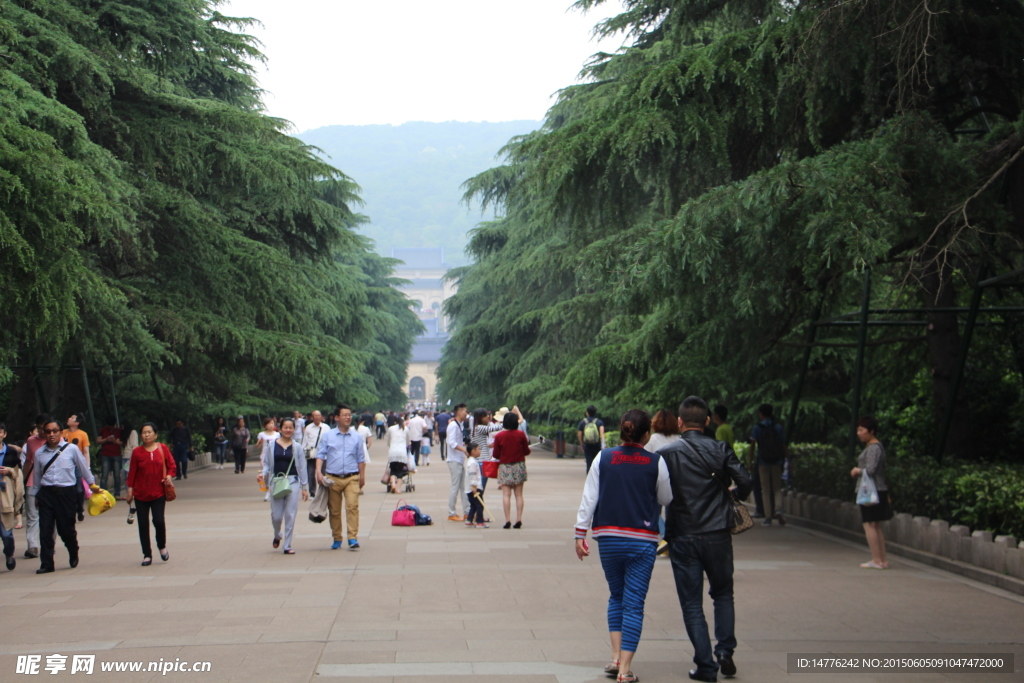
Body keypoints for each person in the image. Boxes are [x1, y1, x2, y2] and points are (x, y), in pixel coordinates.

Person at [575, 409, 672, 683]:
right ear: (646, 434)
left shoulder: (603, 458)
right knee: (634, 604)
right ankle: (625, 671)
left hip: (608, 539)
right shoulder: (655, 462)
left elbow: (589, 497)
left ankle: (615, 657)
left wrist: (579, 534)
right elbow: (666, 497)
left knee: (616, 596)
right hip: (642, 540)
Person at [658, 396, 752, 682]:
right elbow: (745, 481)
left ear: (679, 422)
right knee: (723, 594)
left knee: (691, 603)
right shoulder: (720, 448)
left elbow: (657, 492)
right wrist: (732, 496)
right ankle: (725, 651)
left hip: (683, 535)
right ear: (707, 421)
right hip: (718, 533)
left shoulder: (668, 453)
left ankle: (705, 664)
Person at [31, 418, 97, 574]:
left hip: (66, 493)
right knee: (45, 529)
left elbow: (83, 467)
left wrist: (92, 485)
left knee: (65, 529)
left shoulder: (71, 449)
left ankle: (73, 550)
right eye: (48, 431)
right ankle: (47, 563)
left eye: (55, 431)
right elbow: (37, 475)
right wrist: (36, 495)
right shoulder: (40, 453)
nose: (51, 434)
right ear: (44, 434)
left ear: (61, 432)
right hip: (47, 493)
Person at [316, 404, 366, 550]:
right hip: (333, 479)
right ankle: (337, 537)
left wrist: (362, 476)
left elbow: (361, 458)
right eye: (344, 415)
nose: (348, 417)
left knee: (352, 507)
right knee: (335, 510)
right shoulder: (328, 436)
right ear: (336, 417)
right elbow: (320, 455)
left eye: (349, 415)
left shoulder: (356, 437)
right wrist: (318, 472)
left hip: (351, 477)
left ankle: (352, 537)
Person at [126, 423, 176, 566]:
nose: (146, 435)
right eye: (144, 432)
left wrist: (169, 476)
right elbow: (132, 472)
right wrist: (130, 490)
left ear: (155, 434)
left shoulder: (163, 449)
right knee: (143, 524)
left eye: (149, 432)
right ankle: (147, 554)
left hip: (158, 492)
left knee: (158, 521)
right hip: (141, 494)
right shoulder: (137, 452)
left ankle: (162, 546)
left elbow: (172, 465)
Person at [260, 418, 309, 554]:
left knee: (290, 514)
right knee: (276, 516)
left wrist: (304, 488)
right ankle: (277, 535)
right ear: (280, 429)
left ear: (294, 429)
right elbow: (267, 464)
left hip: (293, 482)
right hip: (276, 482)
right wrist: (263, 474)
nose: (288, 430)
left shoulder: (297, 447)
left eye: (291, 428)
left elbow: (303, 467)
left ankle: (287, 545)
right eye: (285, 427)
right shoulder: (271, 446)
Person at [850, 415, 892, 569]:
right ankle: (882, 559)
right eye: (858, 430)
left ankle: (877, 560)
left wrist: (857, 471)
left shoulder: (874, 448)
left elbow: (872, 469)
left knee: (869, 524)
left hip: (872, 490)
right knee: (875, 525)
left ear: (871, 431)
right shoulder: (874, 447)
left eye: (862, 430)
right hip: (877, 490)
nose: (859, 433)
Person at [748, 403, 786, 527]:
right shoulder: (778, 427)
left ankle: (768, 517)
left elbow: (752, 446)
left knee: (765, 489)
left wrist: (750, 461)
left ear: (761, 414)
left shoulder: (757, 428)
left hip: (763, 461)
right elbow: (783, 445)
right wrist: (788, 459)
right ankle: (778, 509)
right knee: (777, 488)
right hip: (777, 461)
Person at [492, 410, 531, 529]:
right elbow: (526, 451)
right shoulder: (520, 434)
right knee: (519, 494)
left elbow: (496, 454)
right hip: (519, 465)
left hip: (505, 466)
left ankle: (507, 520)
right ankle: (518, 518)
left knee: (506, 495)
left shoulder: (499, 436)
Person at [21, 414, 49, 560]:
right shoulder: (31, 441)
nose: (42, 432)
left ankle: (49, 544)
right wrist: (23, 480)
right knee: (32, 516)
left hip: (51, 484)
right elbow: (28, 461)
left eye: (45, 428)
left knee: (51, 516)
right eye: (39, 428)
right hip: (33, 482)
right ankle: (32, 546)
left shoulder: (58, 441)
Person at [0, 423, 25, 571]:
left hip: (6, 495)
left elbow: (18, 473)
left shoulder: (10, 452)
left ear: (4, 434)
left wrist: (9, 471)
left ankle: (9, 553)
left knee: (6, 532)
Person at [445, 404, 471, 521]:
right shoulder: (453, 426)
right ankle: (451, 513)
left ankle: (467, 512)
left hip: (459, 460)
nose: (467, 413)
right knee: (455, 487)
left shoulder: (458, 425)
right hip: (454, 460)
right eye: (465, 411)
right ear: (459, 412)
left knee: (464, 486)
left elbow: (458, 442)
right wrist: (464, 450)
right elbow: (451, 442)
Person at [63, 413, 91, 520]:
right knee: (69, 488)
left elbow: (85, 452)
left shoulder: (82, 434)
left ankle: (80, 508)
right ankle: (71, 509)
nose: (69, 418)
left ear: (77, 423)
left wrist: (87, 467)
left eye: (72, 418)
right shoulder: (62, 433)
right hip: (65, 465)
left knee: (79, 489)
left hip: (78, 464)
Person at [470, 408, 503, 494]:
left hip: (480, 461)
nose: (488, 418)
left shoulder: (475, 428)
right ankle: (478, 506)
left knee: (480, 488)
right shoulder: (480, 428)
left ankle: (477, 505)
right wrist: (511, 422)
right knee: (480, 489)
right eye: (486, 416)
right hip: (482, 461)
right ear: (481, 417)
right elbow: (497, 428)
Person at [96, 416, 123, 499]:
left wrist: (114, 441)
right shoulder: (103, 430)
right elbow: (98, 441)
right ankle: (103, 493)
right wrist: (106, 439)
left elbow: (122, 443)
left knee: (117, 475)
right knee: (104, 475)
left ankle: (117, 493)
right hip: (105, 454)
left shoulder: (119, 431)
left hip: (116, 454)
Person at [302, 411, 327, 497]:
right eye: (315, 416)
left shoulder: (326, 427)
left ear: (321, 417)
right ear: (312, 417)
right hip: (311, 454)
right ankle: (312, 492)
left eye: (318, 415)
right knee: (311, 473)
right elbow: (305, 441)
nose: (317, 417)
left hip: (323, 454)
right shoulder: (308, 428)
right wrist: (304, 451)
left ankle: (323, 490)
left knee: (322, 473)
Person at [464, 443, 486, 528]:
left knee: (473, 505)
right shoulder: (473, 462)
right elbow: (472, 475)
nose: (480, 451)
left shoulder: (471, 461)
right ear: (473, 451)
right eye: (478, 449)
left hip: (469, 488)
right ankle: (480, 521)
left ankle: (469, 520)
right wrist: (474, 486)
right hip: (474, 488)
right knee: (479, 505)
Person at [385, 419, 410, 493]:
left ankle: (393, 484)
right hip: (402, 452)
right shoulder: (406, 429)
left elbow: (388, 441)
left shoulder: (391, 429)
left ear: (395, 422)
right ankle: (398, 489)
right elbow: (408, 441)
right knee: (400, 471)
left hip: (392, 451)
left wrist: (391, 446)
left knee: (392, 470)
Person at [578, 406, 605, 473]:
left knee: (589, 463)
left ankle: (589, 480)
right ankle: (597, 479)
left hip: (587, 446)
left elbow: (579, 435)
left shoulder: (583, 422)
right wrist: (603, 444)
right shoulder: (599, 422)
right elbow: (602, 434)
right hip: (597, 445)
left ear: (587, 413)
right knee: (597, 463)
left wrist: (582, 444)